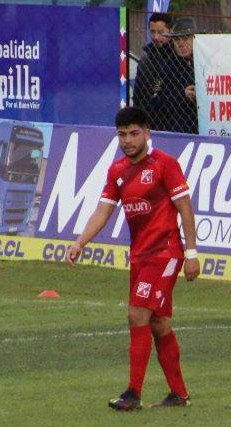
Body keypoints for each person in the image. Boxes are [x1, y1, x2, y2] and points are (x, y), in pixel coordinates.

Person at [66, 107, 199, 411]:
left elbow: (185, 208)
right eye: (122, 134)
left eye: (134, 133)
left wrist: (191, 253)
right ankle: (179, 394)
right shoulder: (118, 171)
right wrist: (80, 242)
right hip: (140, 256)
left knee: (137, 315)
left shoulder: (165, 165)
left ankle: (133, 393)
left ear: (147, 133)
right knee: (160, 324)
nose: (127, 140)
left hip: (164, 253)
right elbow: (104, 210)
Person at [132, 13, 178, 132]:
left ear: (171, 31)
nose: (156, 37)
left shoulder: (179, 58)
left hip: (173, 124)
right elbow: (138, 95)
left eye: (161, 32)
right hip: (148, 123)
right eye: (152, 32)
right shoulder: (145, 61)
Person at [159, 17, 199, 134]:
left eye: (185, 38)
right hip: (178, 129)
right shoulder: (167, 67)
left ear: (195, 39)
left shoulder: (207, 63)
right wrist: (182, 95)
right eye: (177, 39)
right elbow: (155, 100)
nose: (181, 43)